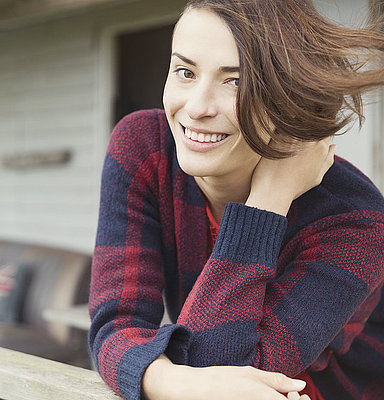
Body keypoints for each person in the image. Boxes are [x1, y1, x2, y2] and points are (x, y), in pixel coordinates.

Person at [88, 1, 384, 399]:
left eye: (235, 81)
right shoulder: (144, 149)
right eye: (185, 71)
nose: (196, 108)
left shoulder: (355, 220)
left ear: (287, 96)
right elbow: (114, 326)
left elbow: (222, 373)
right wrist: (166, 380)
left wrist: (267, 201)